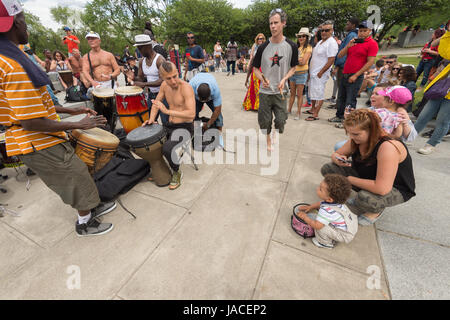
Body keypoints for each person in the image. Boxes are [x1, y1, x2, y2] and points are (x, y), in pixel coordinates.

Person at [0, 1, 116, 236]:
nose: (27, 29)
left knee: (78, 171)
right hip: (36, 139)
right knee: (73, 176)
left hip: (39, 136)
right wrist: (78, 125)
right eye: (23, 21)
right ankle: (85, 222)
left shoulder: (10, 57)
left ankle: (91, 206)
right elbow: (31, 121)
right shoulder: (12, 65)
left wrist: (72, 111)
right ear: (13, 24)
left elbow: (37, 106)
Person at [322, 109, 416, 226]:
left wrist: (348, 180)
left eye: (355, 134)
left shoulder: (388, 147)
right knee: (329, 169)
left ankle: (375, 210)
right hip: (367, 176)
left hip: (394, 187)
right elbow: (336, 154)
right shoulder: (357, 138)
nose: (351, 137)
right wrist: (337, 158)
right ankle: (354, 196)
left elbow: (382, 188)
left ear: (372, 130)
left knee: (365, 198)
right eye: (349, 133)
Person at [142, 61, 195, 190]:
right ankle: (160, 169)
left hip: (185, 128)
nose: (173, 81)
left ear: (178, 72)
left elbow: (191, 114)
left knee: (167, 148)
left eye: (175, 76)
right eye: (168, 78)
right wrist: (151, 119)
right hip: (169, 125)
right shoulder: (164, 86)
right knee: (149, 142)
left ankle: (176, 172)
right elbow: (156, 103)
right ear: (162, 77)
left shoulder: (186, 87)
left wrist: (166, 111)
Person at [252, 8, 298, 150]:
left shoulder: (291, 46)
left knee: (280, 120)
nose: (272, 26)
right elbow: (255, 69)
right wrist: (262, 79)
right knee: (264, 121)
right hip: (265, 92)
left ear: (283, 23)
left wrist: (285, 78)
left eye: (276, 23)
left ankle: (275, 133)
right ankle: (268, 140)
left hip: (281, 91)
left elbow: (294, 67)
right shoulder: (262, 47)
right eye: (271, 23)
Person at [328, 20, 378, 124]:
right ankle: (339, 116)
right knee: (341, 97)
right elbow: (340, 55)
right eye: (360, 31)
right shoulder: (354, 41)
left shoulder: (372, 44)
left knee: (350, 99)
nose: (362, 33)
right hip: (345, 72)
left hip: (356, 75)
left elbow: (370, 62)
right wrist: (348, 46)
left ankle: (349, 121)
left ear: (369, 31)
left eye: (365, 31)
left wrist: (356, 75)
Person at [294, 174, 358, 249]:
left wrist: (305, 217)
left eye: (320, 189)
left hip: (344, 235)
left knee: (321, 229)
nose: (317, 188)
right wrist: (310, 207)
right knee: (323, 221)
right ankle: (332, 233)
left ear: (329, 199)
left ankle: (325, 243)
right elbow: (321, 203)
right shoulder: (337, 202)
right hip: (351, 225)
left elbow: (317, 226)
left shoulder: (326, 211)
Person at [130, 34, 167, 123]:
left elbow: (163, 80)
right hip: (152, 95)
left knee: (166, 122)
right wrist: (133, 77)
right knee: (149, 121)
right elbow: (141, 78)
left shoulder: (159, 60)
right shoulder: (142, 61)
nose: (139, 50)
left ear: (148, 46)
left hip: (164, 95)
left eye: (140, 48)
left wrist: (143, 84)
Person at [306, 20, 338, 121]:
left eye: (326, 30)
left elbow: (331, 59)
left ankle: (315, 114)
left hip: (320, 74)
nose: (324, 32)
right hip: (314, 73)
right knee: (313, 93)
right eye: (322, 30)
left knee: (319, 94)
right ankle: (312, 109)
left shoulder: (331, 43)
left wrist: (321, 72)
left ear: (331, 31)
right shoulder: (320, 42)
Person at [328, 18, 359, 109]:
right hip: (344, 66)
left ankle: (340, 106)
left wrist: (338, 66)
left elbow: (345, 53)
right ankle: (338, 104)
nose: (346, 26)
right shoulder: (351, 34)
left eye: (348, 24)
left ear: (353, 25)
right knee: (341, 87)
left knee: (342, 88)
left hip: (344, 67)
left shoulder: (352, 35)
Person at [288, 27, 312, 120]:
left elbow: (303, 62)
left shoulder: (308, 47)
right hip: (293, 73)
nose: (301, 38)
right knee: (292, 93)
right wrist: (298, 60)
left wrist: (296, 60)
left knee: (300, 94)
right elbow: (291, 60)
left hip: (302, 74)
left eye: (303, 36)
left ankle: (298, 113)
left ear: (306, 37)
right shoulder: (296, 47)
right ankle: (289, 110)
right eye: (299, 36)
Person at [243, 33, 266, 111]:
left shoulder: (267, 46)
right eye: (259, 39)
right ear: (257, 39)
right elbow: (252, 60)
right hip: (256, 69)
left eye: (262, 38)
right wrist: (246, 78)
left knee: (262, 88)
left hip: (264, 70)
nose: (261, 40)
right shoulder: (254, 46)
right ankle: (254, 105)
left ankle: (261, 105)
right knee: (254, 88)